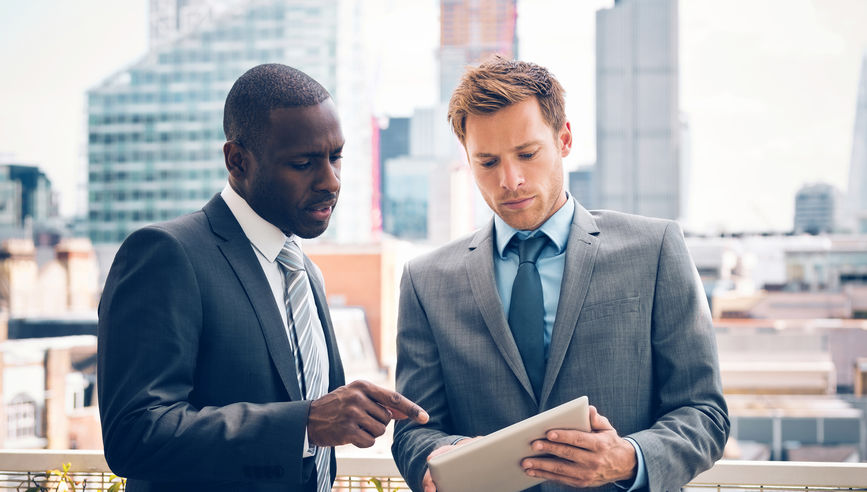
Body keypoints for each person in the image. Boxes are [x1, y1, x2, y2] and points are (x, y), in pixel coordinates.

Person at [391, 56, 729, 492]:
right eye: (487, 162)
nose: (510, 180)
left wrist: (628, 458)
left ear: (564, 138)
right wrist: (446, 456)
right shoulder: (426, 281)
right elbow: (415, 430)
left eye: (527, 154)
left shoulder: (655, 250)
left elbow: (704, 412)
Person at [98, 64, 427, 492]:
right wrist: (305, 423)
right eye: (303, 163)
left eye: (336, 156)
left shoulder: (306, 272)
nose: (330, 181)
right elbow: (134, 433)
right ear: (237, 161)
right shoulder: (166, 254)